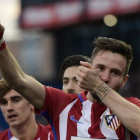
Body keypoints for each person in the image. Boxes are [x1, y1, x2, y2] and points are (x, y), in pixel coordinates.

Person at [0, 23, 140, 140]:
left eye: (115, 72)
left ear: (124, 80)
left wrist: (99, 86)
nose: (105, 77)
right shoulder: (62, 103)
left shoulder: (131, 106)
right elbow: (18, 79)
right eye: (100, 68)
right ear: (88, 67)